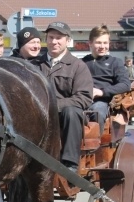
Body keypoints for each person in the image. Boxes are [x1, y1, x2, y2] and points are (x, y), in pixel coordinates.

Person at [34, 22, 93, 173]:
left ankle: (70, 164)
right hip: (38, 114)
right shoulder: (34, 65)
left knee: (71, 112)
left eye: (59, 38)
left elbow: (84, 98)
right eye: (51, 37)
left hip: (64, 116)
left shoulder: (78, 66)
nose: (54, 42)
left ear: (68, 40)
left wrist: (53, 105)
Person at [82, 25, 132, 133]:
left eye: (105, 43)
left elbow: (125, 84)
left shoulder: (115, 62)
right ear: (90, 43)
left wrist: (101, 92)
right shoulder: (81, 63)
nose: (102, 46)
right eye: (98, 42)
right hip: (81, 100)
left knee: (97, 111)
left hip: (103, 101)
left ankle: (95, 145)